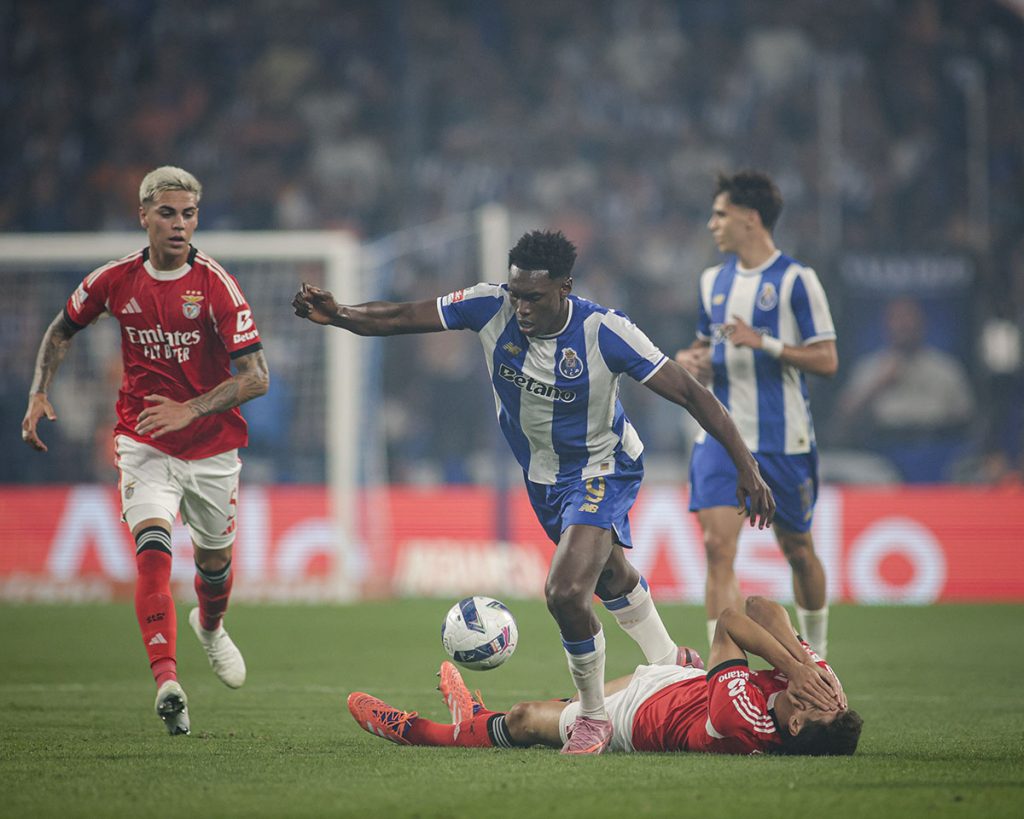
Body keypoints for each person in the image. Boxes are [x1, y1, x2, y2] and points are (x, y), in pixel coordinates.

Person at [293, 229, 774, 754]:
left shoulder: (606, 331)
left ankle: (593, 718)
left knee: (566, 591)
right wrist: (340, 314)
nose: (520, 307)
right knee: (608, 573)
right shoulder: (489, 305)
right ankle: (670, 660)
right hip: (544, 477)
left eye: (534, 297)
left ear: (565, 287)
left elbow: (691, 393)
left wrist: (746, 466)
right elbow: (403, 316)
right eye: (516, 293)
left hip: (602, 468)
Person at [20, 166, 270, 736]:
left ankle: (210, 627)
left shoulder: (216, 286)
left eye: (189, 214)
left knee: (214, 565)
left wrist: (191, 409)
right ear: (144, 216)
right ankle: (167, 682)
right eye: (167, 213)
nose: (179, 224)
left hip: (211, 448)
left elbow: (257, 377)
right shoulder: (114, 280)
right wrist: (38, 391)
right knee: (153, 551)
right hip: (143, 440)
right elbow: (61, 329)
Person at [347, 595, 861, 756]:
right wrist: (805, 664)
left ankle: (419, 731)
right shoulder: (817, 693)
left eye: (819, 703)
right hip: (681, 684)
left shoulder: (741, 720)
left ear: (797, 724)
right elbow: (761, 606)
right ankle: (478, 717)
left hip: (637, 719)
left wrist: (795, 667)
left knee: (526, 719)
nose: (823, 693)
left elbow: (731, 620)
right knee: (568, 699)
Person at [675, 171, 838, 657]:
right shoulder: (712, 281)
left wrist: (764, 342)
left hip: (783, 440)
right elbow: (708, 343)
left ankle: (818, 659)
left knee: (798, 551)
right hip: (721, 436)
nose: (712, 224)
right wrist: (691, 359)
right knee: (717, 549)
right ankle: (723, 670)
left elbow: (827, 358)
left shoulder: (796, 281)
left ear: (750, 218)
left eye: (720, 215)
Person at [832, 297, 976, 482]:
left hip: (938, 452)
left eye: (909, 319)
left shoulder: (945, 369)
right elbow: (844, 418)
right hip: (884, 453)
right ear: (886, 325)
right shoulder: (870, 367)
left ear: (922, 325)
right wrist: (878, 385)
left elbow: (966, 418)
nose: (904, 326)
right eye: (897, 319)